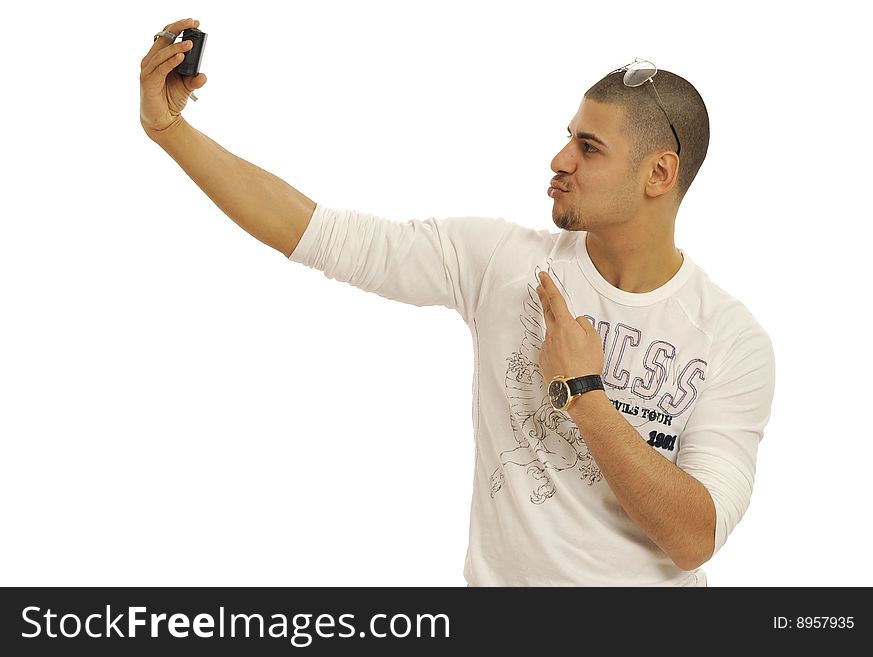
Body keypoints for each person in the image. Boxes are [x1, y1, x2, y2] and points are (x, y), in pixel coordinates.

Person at [141, 18, 775, 587]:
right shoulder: (500, 261)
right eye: (569, 137)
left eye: (590, 148)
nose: (559, 160)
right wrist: (171, 132)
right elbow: (318, 234)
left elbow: (696, 537)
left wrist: (584, 392)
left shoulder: (730, 338)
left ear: (659, 175)